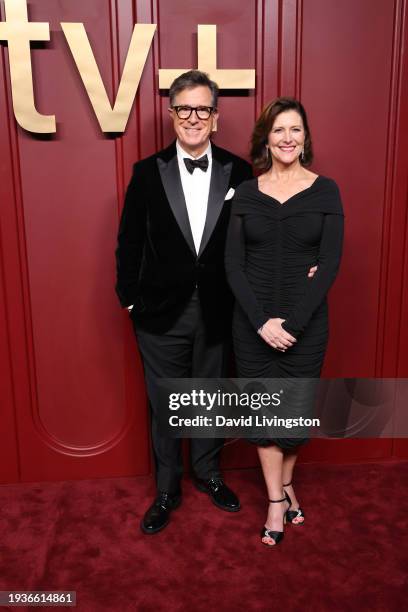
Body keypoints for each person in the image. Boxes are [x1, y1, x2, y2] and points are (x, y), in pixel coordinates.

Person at [115, 70, 254, 534]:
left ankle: (209, 474)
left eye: (202, 109)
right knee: (166, 402)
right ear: (172, 115)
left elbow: (256, 241)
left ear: (215, 117)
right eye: (183, 109)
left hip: (219, 308)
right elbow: (129, 242)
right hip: (159, 312)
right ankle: (167, 488)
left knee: (210, 396)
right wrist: (130, 300)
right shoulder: (145, 173)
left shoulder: (240, 171)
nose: (193, 118)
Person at [225, 97, 344, 546]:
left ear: (305, 137)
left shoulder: (326, 190)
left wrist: (291, 324)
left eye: (295, 130)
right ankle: (277, 501)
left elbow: (329, 263)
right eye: (278, 130)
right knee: (262, 418)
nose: (287, 138)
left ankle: (286, 485)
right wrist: (261, 323)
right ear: (266, 139)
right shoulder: (246, 192)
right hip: (252, 325)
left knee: (292, 420)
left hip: (306, 324)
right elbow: (233, 265)